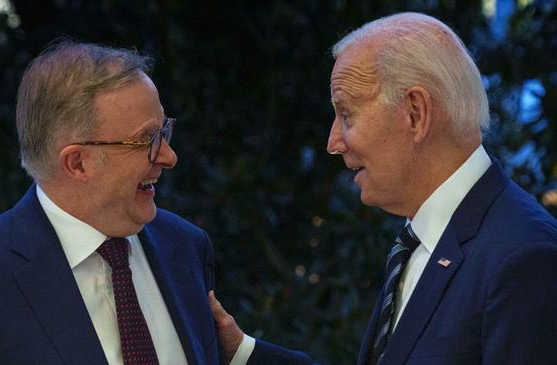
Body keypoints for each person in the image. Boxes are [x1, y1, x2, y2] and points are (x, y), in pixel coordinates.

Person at [210, 12, 557, 365]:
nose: (333, 143)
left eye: (347, 114)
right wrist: (243, 354)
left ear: (415, 113)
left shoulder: (525, 259)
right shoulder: (423, 238)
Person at [0, 41, 244, 365]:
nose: (169, 156)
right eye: (147, 140)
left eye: (164, 132)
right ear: (77, 163)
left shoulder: (186, 246)